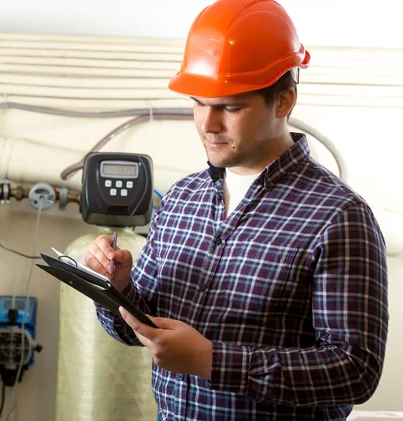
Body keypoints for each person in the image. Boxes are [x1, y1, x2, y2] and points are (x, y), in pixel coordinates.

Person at [82, 0, 389, 419]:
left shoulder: (338, 217)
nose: (208, 124)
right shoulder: (182, 199)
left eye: (230, 107)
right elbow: (142, 331)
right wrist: (116, 288)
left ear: (284, 102)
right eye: (198, 102)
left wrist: (213, 360)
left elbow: (355, 371)